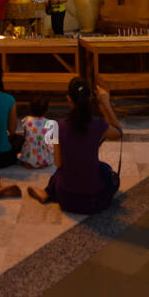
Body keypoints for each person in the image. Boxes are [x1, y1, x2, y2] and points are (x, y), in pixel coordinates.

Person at [27, 78, 122, 213]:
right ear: (89, 98)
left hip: (66, 198)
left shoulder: (56, 126)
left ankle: (47, 192)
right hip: (94, 201)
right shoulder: (99, 124)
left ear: (68, 98)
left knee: (63, 170)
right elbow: (119, 133)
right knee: (107, 172)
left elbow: (58, 163)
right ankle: (48, 191)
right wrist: (106, 104)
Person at [17, 97, 55, 169]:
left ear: (30, 109)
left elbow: (25, 137)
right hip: (44, 156)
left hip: (28, 156)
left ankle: (29, 161)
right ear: (47, 110)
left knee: (26, 143)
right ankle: (43, 162)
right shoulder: (49, 123)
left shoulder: (26, 120)